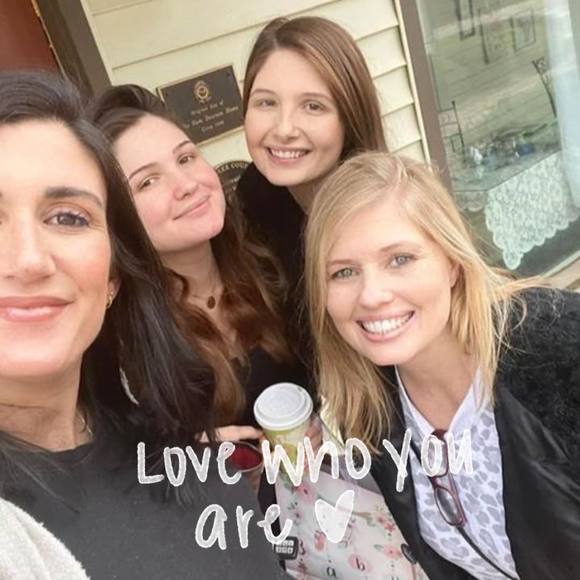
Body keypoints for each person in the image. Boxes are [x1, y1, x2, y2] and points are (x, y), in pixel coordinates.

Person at [0, 70, 288, 579]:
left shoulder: (269, 264)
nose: (29, 260)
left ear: (112, 274)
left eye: (67, 217)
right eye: (148, 181)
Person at [304, 151, 580, 579]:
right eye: (343, 272)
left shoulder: (559, 347)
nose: (371, 295)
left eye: (400, 259)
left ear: (451, 262)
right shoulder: (371, 411)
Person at [91, 85, 311, 439]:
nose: (187, 184)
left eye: (185, 158)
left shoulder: (271, 260)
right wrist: (194, 457)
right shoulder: (118, 344)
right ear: (115, 220)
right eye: (148, 182)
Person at [238, 15, 387, 320]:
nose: (284, 129)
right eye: (267, 103)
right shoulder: (255, 195)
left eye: (313, 106)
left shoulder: (389, 214)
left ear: (350, 118)